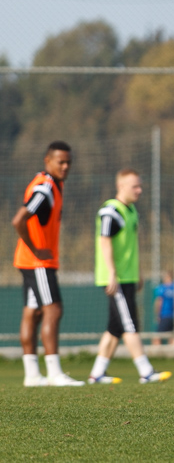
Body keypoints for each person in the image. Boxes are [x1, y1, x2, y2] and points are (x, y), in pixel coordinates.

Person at [88, 169, 171, 384]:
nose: (139, 190)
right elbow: (104, 241)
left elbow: (131, 247)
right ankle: (146, 371)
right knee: (130, 325)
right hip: (115, 279)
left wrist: (138, 272)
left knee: (115, 328)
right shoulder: (110, 211)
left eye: (140, 186)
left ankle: (97, 374)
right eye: (135, 186)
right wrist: (112, 273)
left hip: (128, 277)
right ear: (121, 186)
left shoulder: (131, 210)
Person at [11, 141, 83, 387]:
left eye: (68, 162)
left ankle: (32, 374)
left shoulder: (53, 184)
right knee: (53, 310)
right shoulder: (45, 189)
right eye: (60, 162)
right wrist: (36, 249)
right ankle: (54, 373)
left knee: (32, 312)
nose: (65, 167)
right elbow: (19, 220)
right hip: (38, 262)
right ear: (47, 161)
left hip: (30, 260)